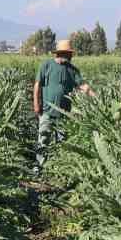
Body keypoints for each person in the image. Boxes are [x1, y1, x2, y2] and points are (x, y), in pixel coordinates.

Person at [34, 39, 92, 172]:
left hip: (65, 113)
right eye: (68, 54)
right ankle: (39, 166)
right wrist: (36, 104)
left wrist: (96, 98)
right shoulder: (46, 65)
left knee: (63, 141)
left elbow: (83, 86)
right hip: (47, 111)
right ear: (60, 54)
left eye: (70, 54)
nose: (70, 56)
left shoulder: (72, 70)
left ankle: (59, 168)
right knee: (43, 138)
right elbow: (37, 85)